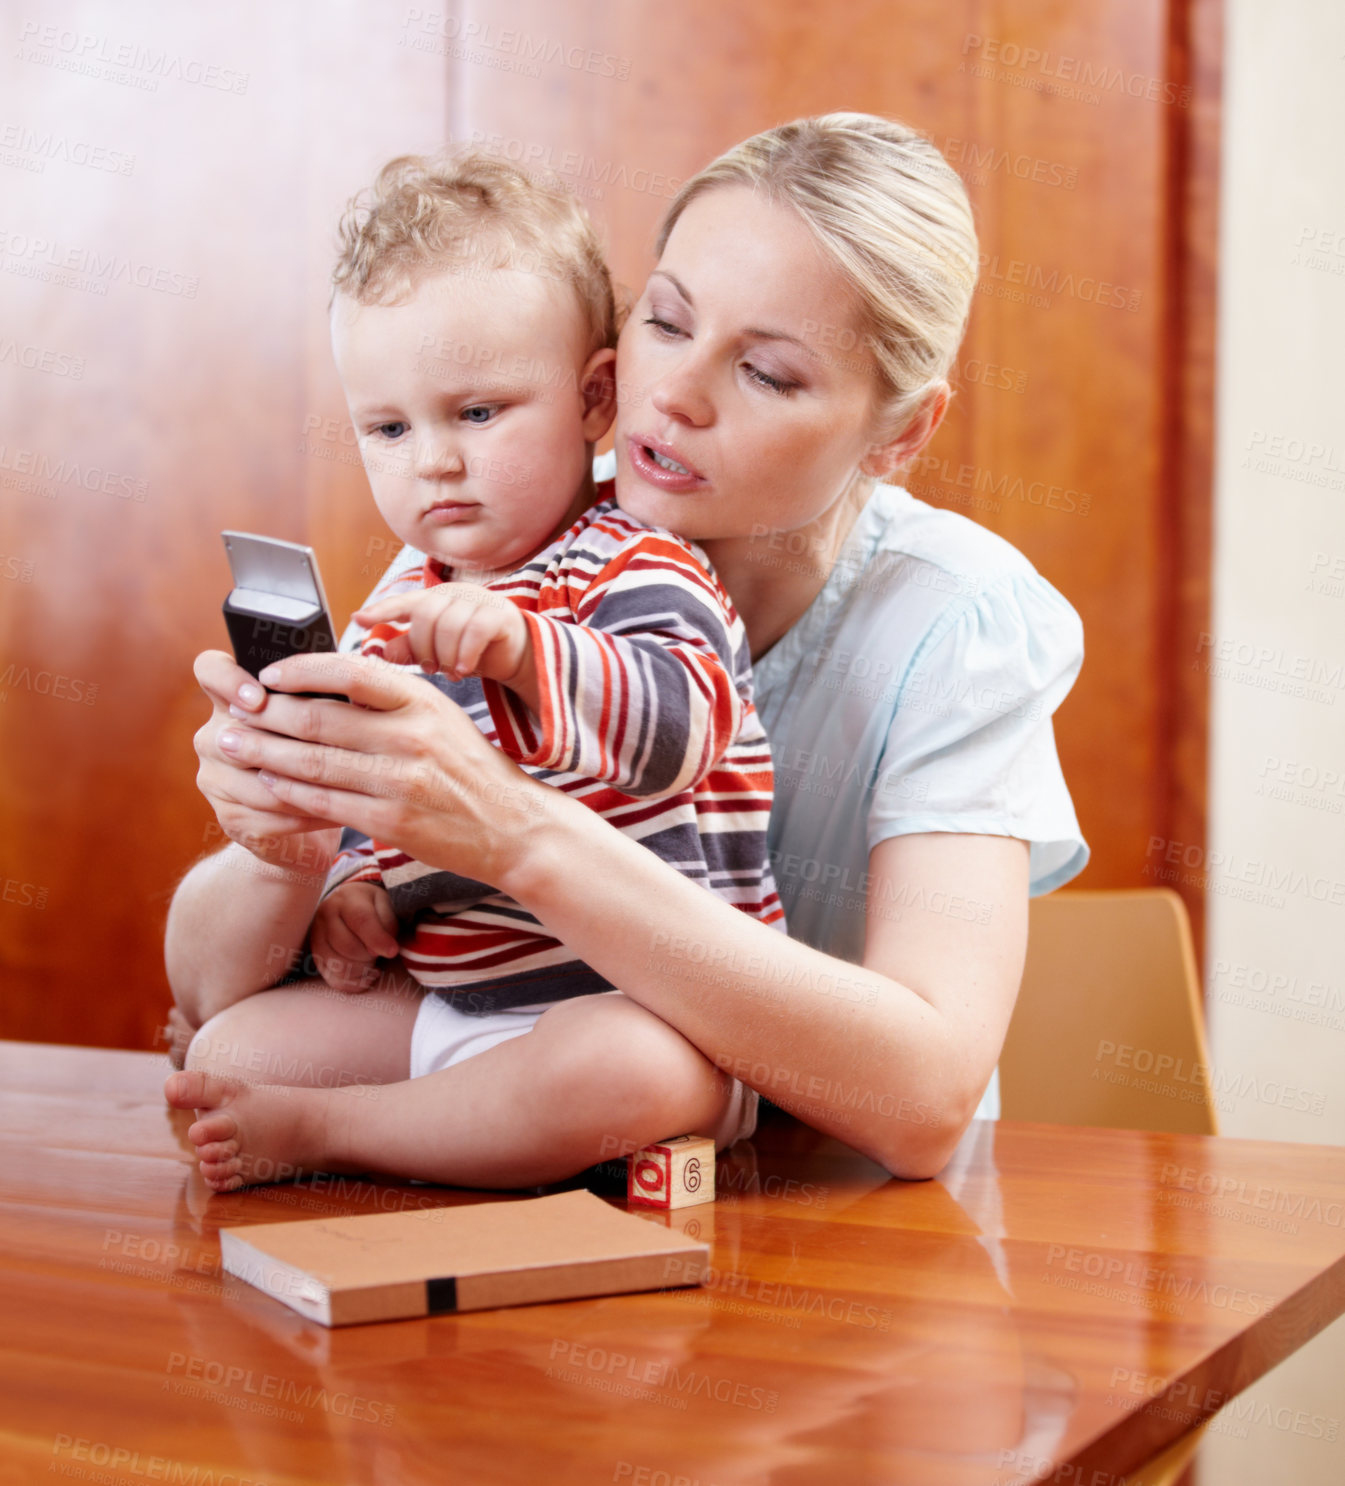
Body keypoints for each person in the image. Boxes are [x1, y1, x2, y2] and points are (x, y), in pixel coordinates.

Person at [164, 112, 1087, 1192]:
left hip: (850, 1230)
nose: (673, 396)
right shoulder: (489, 542)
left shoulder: (956, 621)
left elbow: (922, 1105)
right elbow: (201, 1007)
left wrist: (515, 835)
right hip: (576, 1194)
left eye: (770, 375)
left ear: (901, 434)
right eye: (666, 320)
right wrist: (288, 842)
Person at [166, 150, 782, 1190]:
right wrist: (352, 888)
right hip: (457, 1009)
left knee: (625, 1072)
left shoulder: (638, 563)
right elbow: (381, 812)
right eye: (390, 428)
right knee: (235, 1049)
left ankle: (340, 1133)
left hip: (644, 1013)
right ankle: (420, 1120)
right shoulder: (391, 611)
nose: (433, 461)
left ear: (593, 398)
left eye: (478, 413)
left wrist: (524, 650)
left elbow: (677, 732)